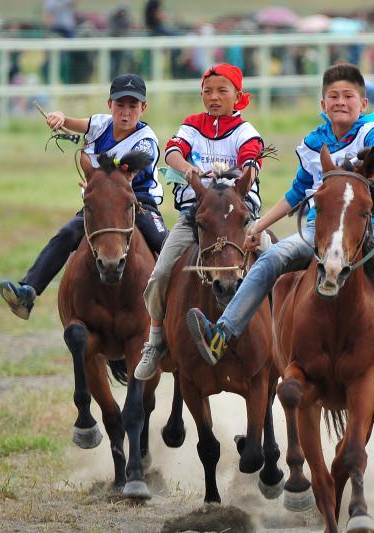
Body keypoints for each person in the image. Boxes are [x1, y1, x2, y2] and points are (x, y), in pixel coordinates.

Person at [186, 63, 374, 393]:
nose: (340, 101)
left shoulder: (372, 133)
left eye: (348, 96)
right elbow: (295, 193)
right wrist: (258, 225)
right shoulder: (312, 143)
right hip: (316, 233)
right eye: (332, 96)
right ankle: (222, 333)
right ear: (323, 105)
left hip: (366, 234)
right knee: (269, 259)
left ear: (363, 104)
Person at [0, 74, 168, 320]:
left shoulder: (146, 142)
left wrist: (96, 176)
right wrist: (59, 117)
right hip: (101, 201)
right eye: (120, 105)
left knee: (164, 242)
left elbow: (125, 170)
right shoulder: (100, 124)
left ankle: (178, 308)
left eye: (133, 106)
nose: (125, 112)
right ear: (110, 104)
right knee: (67, 234)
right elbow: (72, 123)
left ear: (144, 108)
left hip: (137, 202)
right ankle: (28, 291)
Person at [134, 64, 264, 380]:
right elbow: (173, 153)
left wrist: (235, 175)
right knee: (161, 271)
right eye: (208, 91)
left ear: (237, 95)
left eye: (222, 91)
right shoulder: (192, 125)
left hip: (237, 220)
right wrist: (192, 171)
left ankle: (281, 336)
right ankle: (155, 340)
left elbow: (252, 162)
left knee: (274, 266)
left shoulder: (246, 131)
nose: (214, 97)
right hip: (195, 217)